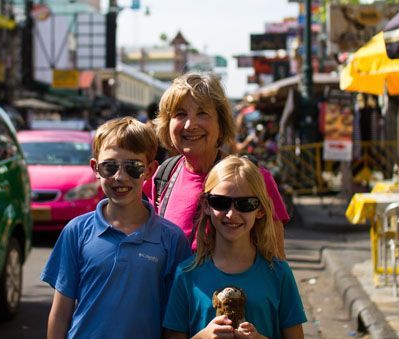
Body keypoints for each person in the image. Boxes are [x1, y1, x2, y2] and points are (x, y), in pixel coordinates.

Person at [41, 117, 192, 339]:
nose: (120, 177)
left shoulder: (171, 239)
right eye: (110, 167)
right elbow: (61, 312)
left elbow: (176, 322)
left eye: (133, 167)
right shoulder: (76, 231)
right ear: (96, 168)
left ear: (150, 170)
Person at [145, 72, 289, 256]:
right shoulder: (162, 176)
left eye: (202, 113)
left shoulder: (254, 180)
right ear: (167, 124)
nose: (190, 124)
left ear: (221, 123)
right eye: (180, 114)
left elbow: (276, 263)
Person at [163, 156, 307, 339]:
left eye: (245, 204)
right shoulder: (186, 274)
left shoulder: (278, 273)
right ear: (206, 205)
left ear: (261, 210)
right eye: (220, 202)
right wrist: (202, 337)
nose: (231, 214)